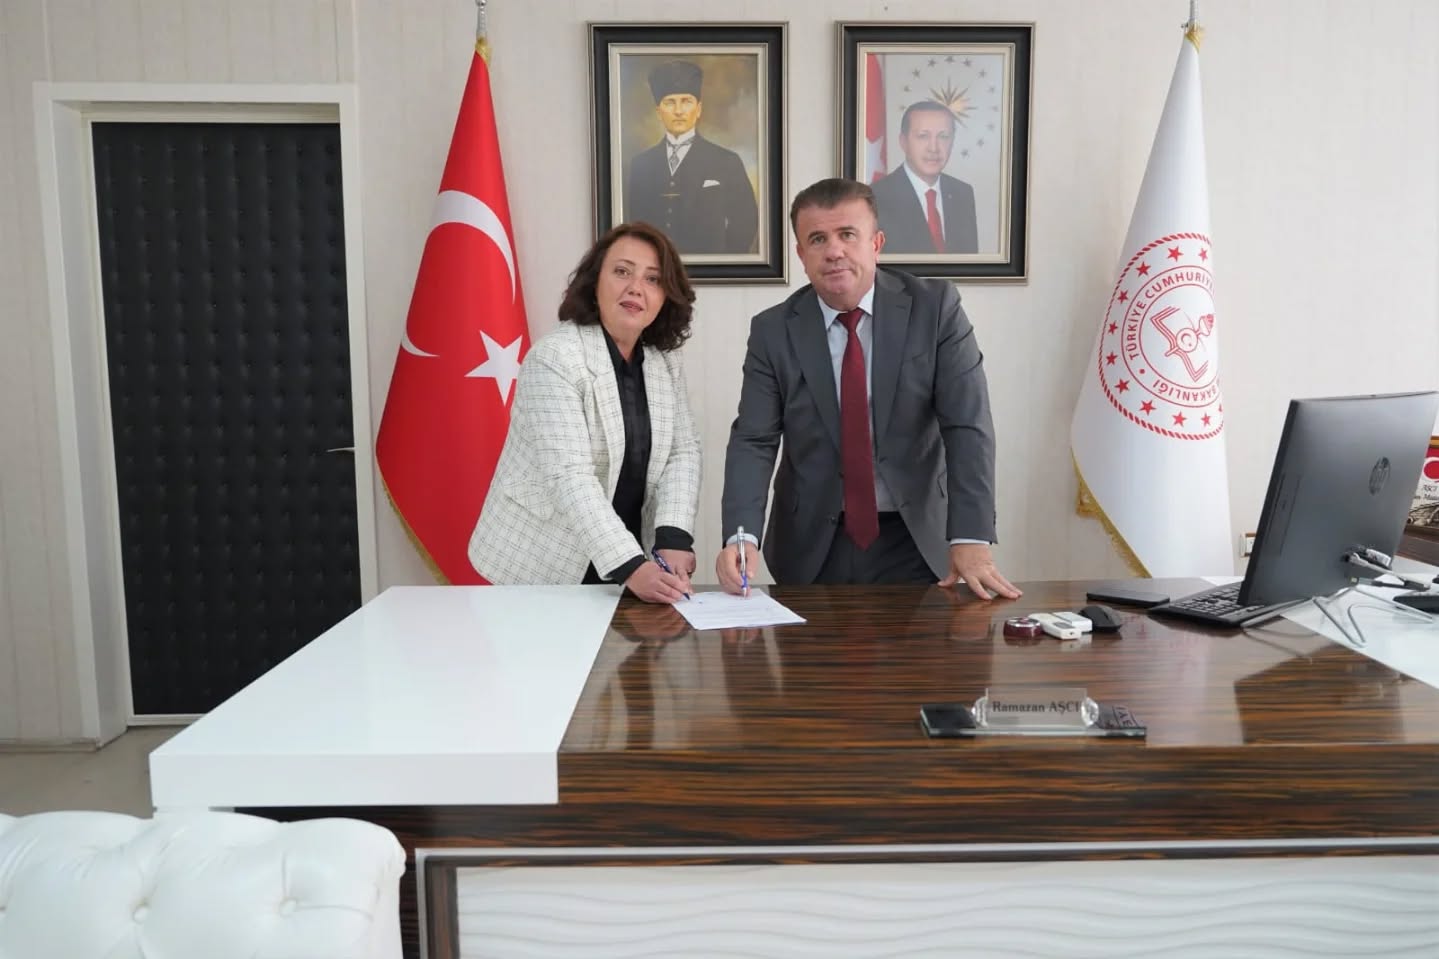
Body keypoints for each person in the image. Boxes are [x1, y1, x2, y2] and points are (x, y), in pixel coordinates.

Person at [715, 178, 1019, 600]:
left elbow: (967, 425)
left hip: (916, 537)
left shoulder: (935, 309)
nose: (833, 251)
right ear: (801, 254)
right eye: (817, 239)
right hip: (811, 544)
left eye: (847, 234)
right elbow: (754, 439)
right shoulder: (772, 330)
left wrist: (970, 534)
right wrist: (741, 535)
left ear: (876, 243)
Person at [468, 223, 701, 603]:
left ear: (665, 296)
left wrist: (673, 535)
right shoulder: (555, 358)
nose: (636, 288)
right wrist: (632, 567)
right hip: (543, 561)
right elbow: (569, 476)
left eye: (653, 279)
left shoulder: (664, 361)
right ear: (595, 282)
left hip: (629, 554)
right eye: (622, 271)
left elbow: (682, 450)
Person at [624, 59, 759, 255]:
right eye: (670, 102)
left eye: (686, 102)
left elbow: (746, 221)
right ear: (659, 112)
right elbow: (635, 227)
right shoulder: (641, 165)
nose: (678, 111)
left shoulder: (727, 161)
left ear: (698, 109)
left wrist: (723, 261)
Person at [870, 101, 979, 255]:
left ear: (952, 141)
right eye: (923, 136)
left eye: (943, 136)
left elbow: (970, 263)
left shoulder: (962, 193)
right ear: (903, 142)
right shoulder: (876, 197)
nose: (933, 148)